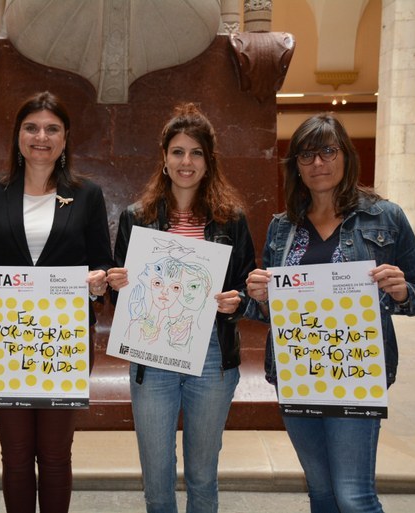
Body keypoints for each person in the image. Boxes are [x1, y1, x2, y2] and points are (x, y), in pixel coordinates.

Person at [245, 113, 415, 513]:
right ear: (296, 166)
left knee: (354, 496)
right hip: (298, 372)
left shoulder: (386, 217)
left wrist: (402, 292)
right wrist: (260, 296)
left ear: (346, 155)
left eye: (328, 151)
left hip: (356, 374)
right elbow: (271, 311)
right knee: (322, 493)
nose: (318, 163)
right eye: (307, 155)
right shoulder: (283, 227)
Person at [0, 91, 113, 513]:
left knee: (57, 453)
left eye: (51, 129)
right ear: (18, 135)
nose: (40, 137)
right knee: (16, 453)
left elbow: (103, 261)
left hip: (65, 339)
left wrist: (99, 279)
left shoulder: (87, 194)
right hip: (3, 338)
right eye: (31, 127)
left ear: (65, 138)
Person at [106, 103, 256, 513]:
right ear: (164, 157)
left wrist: (236, 301)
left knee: (203, 477)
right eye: (177, 152)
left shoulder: (231, 219)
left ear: (209, 161)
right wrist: (118, 285)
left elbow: (247, 286)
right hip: (152, 355)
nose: (186, 162)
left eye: (196, 153)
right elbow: (123, 298)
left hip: (212, 354)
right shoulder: (137, 218)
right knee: (156, 480)